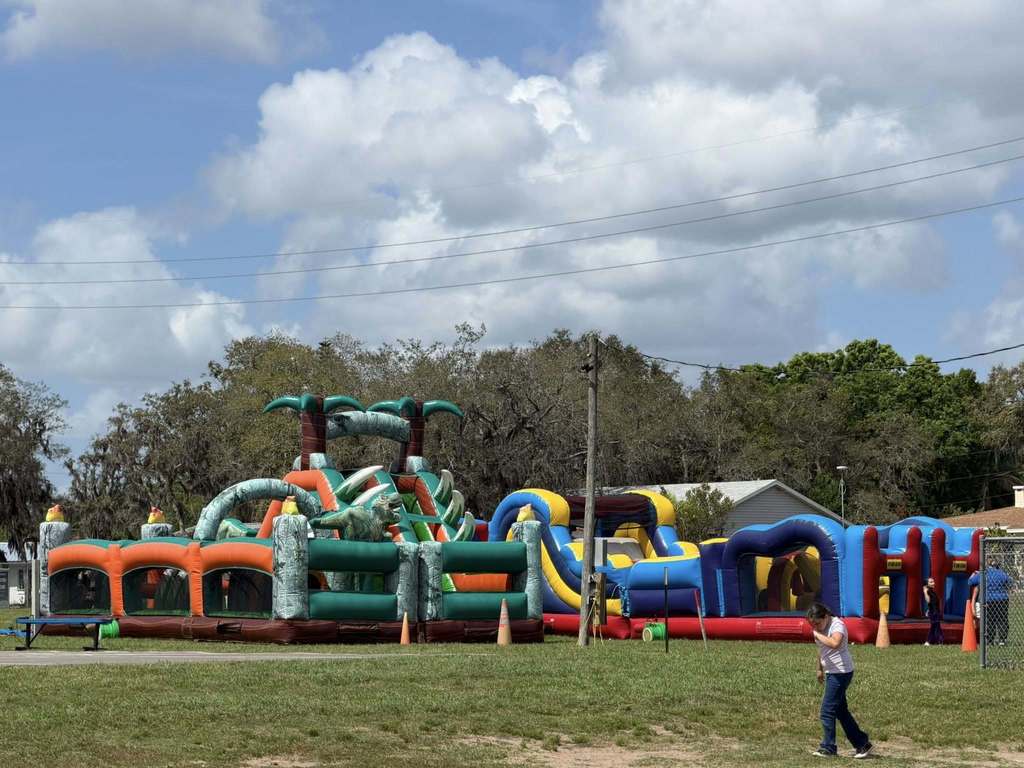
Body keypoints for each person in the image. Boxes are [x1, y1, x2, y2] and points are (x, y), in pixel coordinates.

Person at [806, 602, 874, 759]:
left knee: (827, 710)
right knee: (840, 711)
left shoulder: (837, 625)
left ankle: (828, 747)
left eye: (817, 623)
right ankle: (862, 744)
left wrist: (817, 634)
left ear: (826, 616)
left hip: (841, 673)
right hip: (832, 672)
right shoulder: (820, 629)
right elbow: (821, 649)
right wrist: (819, 668)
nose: (815, 627)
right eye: (812, 624)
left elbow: (835, 644)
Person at [969, 566, 1012, 646]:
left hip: (989, 599)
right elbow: (1010, 582)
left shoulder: (983, 574)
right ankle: (1002, 640)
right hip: (1002, 599)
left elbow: (970, 582)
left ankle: (990, 639)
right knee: (1002, 619)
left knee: (989, 620)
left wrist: (973, 574)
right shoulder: (1002, 573)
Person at [923, 577, 943, 646]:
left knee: (935, 626)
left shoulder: (933, 592)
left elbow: (933, 603)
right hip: (934, 612)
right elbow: (928, 601)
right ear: (927, 584)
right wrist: (925, 592)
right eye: (931, 582)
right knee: (936, 627)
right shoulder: (928, 591)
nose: (933, 583)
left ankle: (930, 641)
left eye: (933, 581)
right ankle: (938, 641)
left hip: (936, 612)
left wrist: (928, 610)